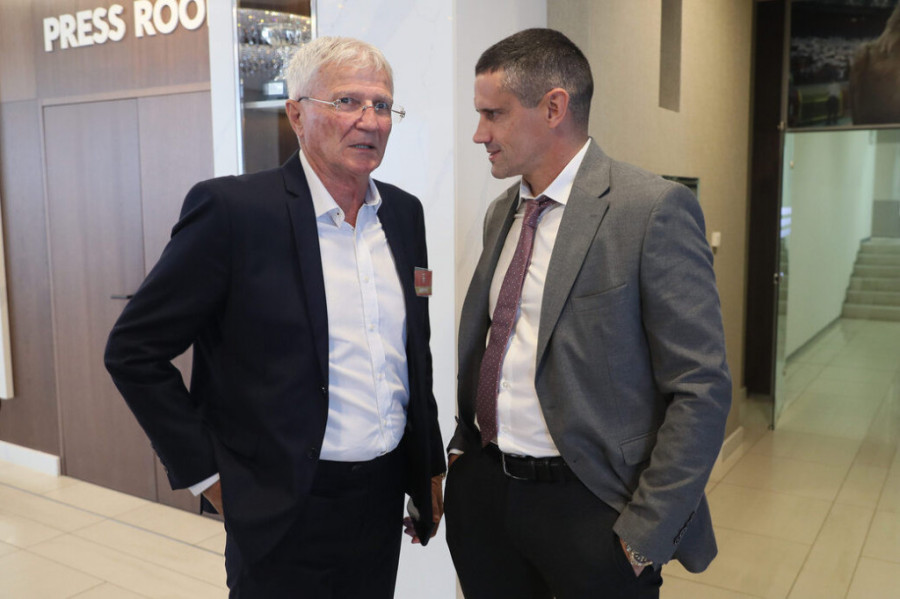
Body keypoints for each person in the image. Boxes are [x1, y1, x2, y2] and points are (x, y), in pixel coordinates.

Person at [105, 36, 445, 598]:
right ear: (297, 114)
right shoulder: (234, 212)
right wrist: (210, 477)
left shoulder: (403, 214)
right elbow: (133, 351)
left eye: (382, 105)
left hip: (380, 500)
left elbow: (413, 354)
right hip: (280, 505)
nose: (369, 121)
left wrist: (427, 464)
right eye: (347, 101)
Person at [445, 28, 731, 599]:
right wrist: (461, 455)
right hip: (486, 498)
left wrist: (643, 535)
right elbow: (496, 342)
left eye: (494, 114)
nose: (480, 134)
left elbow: (700, 387)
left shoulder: (650, 210)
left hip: (592, 508)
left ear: (554, 107)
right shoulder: (504, 212)